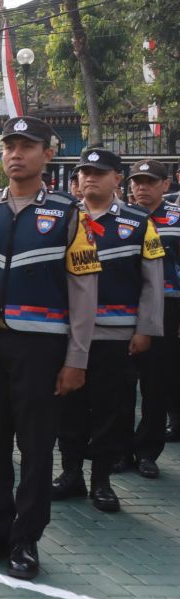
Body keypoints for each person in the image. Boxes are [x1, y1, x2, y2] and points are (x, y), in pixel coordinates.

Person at [0, 116, 99, 580]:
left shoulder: (71, 214)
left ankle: (25, 538)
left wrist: (77, 357)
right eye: (10, 146)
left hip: (41, 349)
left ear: (48, 154)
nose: (16, 154)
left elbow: (83, 290)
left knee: (35, 447)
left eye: (27, 146)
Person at [52, 148, 161, 513]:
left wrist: (145, 329)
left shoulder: (138, 222)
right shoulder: (62, 217)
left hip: (116, 335)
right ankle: (70, 474)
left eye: (99, 172)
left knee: (110, 411)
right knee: (68, 407)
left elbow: (152, 283)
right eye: (84, 172)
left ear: (118, 178)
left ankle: (101, 481)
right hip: (67, 335)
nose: (90, 178)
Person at [128, 159, 180, 463]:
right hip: (123, 307)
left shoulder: (176, 218)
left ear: (166, 185)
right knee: (121, 385)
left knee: (156, 382)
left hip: (167, 307)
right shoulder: (121, 216)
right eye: (137, 181)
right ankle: (119, 450)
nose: (142, 187)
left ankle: (148, 450)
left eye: (149, 182)